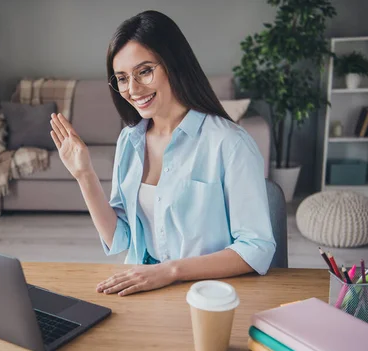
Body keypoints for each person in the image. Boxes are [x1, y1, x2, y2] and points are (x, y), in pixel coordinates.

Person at [49, 10, 275, 297]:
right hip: (144, 286)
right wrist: (84, 175)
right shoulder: (129, 140)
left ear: (173, 64)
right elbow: (121, 239)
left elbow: (256, 248)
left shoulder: (229, 143)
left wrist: (169, 271)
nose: (132, 89)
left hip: (206, 295)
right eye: (121, 78)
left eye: (144, 71)